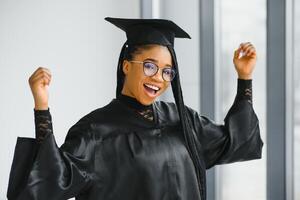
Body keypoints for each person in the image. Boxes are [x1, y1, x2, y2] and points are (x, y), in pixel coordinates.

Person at [7, 17, 263, 200]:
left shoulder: (183, 120)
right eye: (149, 66)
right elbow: (50, 183)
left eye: (167, 71)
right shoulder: (95, 131)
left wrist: (244, 78)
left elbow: (236, 142)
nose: (159, 78)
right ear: (127, 66)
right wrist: (42, 107)